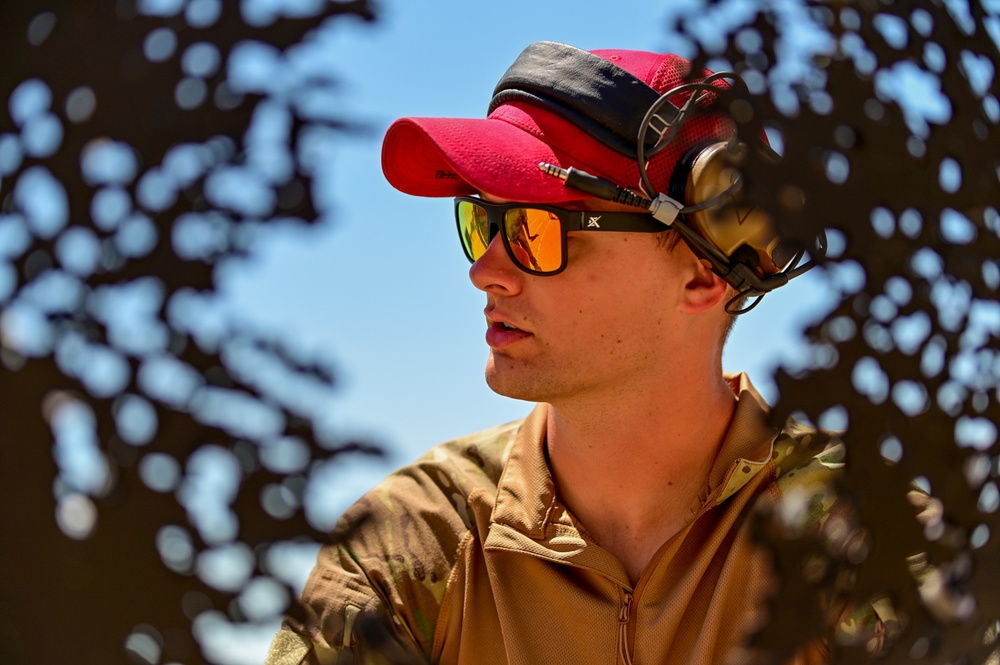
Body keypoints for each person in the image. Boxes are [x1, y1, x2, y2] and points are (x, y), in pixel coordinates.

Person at [266, 41, 888, 665]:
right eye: (481, 221)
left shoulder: (863, 538)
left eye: (535, 230)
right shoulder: (408, 542)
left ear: (702, 277)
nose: (486, 270)